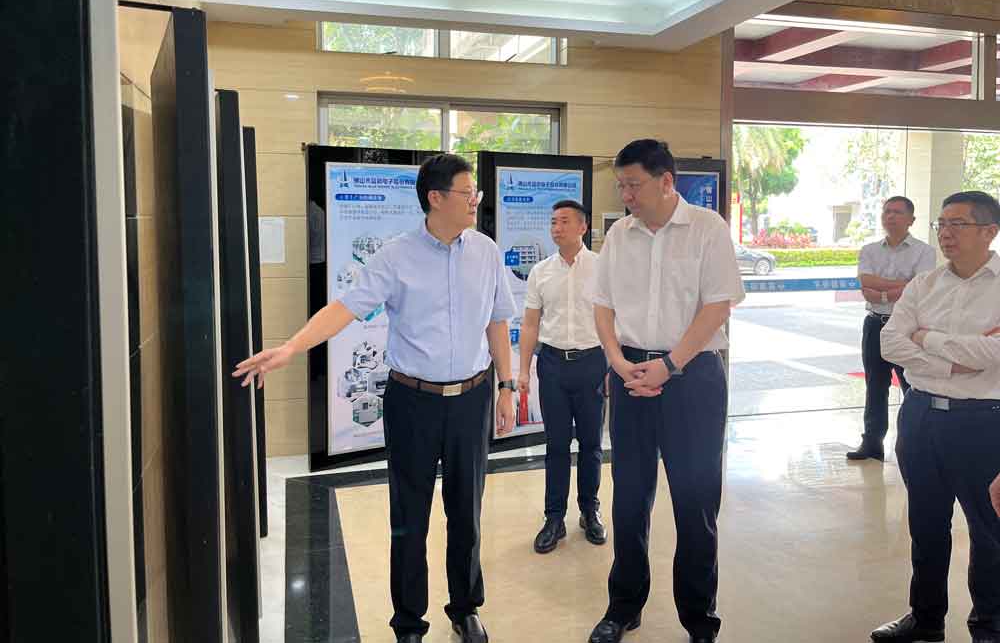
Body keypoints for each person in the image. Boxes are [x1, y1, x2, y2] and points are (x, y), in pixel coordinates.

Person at [234, 154, 517, 643]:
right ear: (436, 198)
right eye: (467, 192)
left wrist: (507, 386)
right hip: (413, 401)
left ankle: (465, 607)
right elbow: (344, 308)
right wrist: (292, 347)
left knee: (466, 511)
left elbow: (497, 320)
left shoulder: (486, 252)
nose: (476, 201)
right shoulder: (395, 256)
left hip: (471, 399)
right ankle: (408, 621)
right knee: (409, 515)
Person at [586, 139, 745, 643]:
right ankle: (623, 607)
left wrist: (670, 365)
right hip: (631, 373)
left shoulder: (707, 228)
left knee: (695, 503)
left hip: (693, 377)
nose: (626, 195)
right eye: (621, 186)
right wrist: (617, 361)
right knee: (629, 498)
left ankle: (699, 619)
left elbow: (718, 306)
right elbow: (603, 305)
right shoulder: (620, 235)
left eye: (634, 185)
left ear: (666, 181)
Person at [874, 191, 1000, 643]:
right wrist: (953, 362)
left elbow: (994, 353)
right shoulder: (924, 284)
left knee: (990, 531)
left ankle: (989, 627)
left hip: (984, 421)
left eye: (958, 224)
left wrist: (926, 338)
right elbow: (890, 342)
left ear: (989, 231)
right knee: (926, 525)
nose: (946, 233)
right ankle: (926, 619)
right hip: (921, 415)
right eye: (942, 224)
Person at [518, 199, 607, 554]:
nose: (556, 228)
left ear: (583, 227)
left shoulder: (602, 268)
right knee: (555, 446)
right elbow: (530, 324)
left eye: (564, 221)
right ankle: (554, 518)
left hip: (592, 363)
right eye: (553, 222)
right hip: (552, 365)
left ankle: (589, 511)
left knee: (591, 444)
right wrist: (522, 371)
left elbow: (614, 320)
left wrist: (614, 366)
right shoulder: (540, 271)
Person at [848, 196, 936, 461]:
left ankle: (918, 442)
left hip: (907, 327)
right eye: (887, 212)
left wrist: (883, 291)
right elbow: (866, 281)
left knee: (912, 385)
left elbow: (918, 287)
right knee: (875, 385)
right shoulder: (870, 250)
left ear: (911, 220)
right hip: (875, 323)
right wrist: (901, 285)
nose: (890, 216)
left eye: (897, 212)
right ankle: (872, 444)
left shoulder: (924, 251)